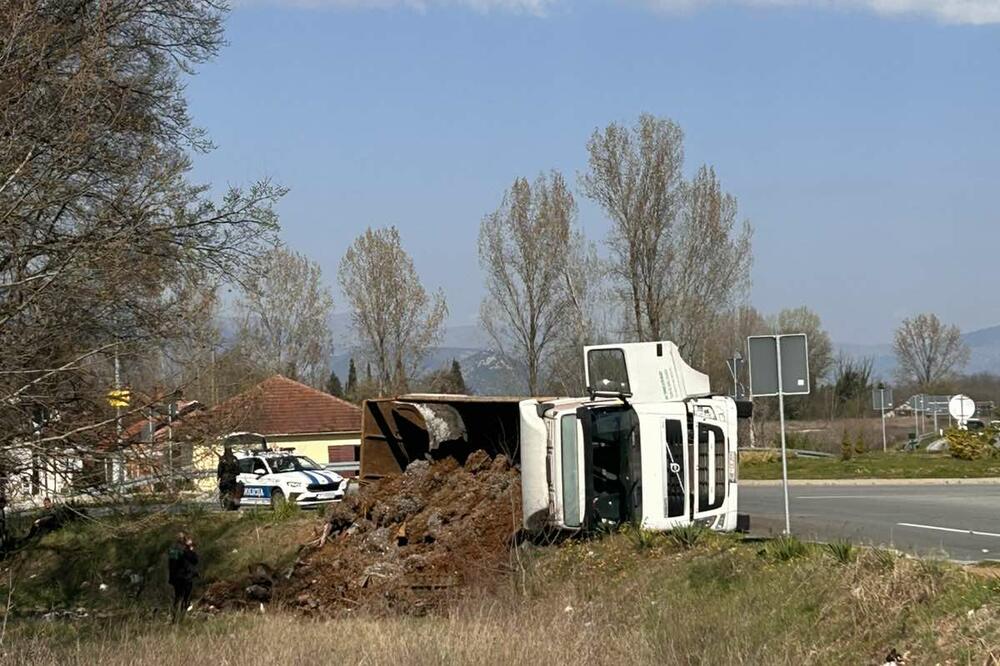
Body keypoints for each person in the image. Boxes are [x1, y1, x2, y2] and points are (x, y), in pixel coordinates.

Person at [167, 532, 199, 623]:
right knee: (185, 598)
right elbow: (195, 560)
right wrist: (191, 549)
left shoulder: (173, 550)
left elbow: (171, 565)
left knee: (178, 597)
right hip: (185, 577)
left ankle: (175, 617)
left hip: (176, 578)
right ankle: (181, 617)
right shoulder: (185, 550)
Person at [217, 444, 241, 510]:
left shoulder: (223, 459)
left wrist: (218, 477)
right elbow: (238, 470)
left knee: (223, 491)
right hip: (232, 479)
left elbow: (220, 470)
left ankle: (225, 502)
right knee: (233, 491)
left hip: (224, 479)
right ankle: (230, 502)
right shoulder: (234, 459)